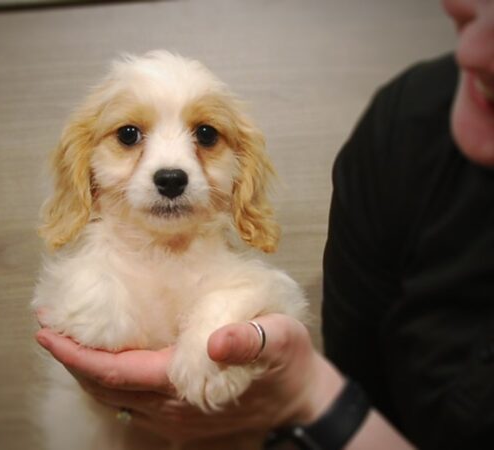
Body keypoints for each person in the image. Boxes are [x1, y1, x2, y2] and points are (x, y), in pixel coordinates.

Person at [35, 0, 494, 448]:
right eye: (129, 135)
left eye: (206, 135)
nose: (171, 169)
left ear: (243, 171)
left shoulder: (233, 280)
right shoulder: (405, 125)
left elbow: (269, 303)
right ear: (83, 165)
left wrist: (238, 342)